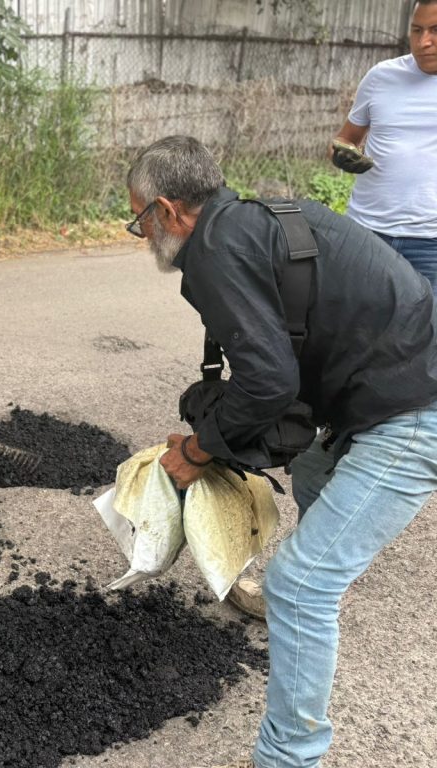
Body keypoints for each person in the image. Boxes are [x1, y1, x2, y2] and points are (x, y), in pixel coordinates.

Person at [124, 135, 437, 768]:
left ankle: (288, 756)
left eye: (140, 221)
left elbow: (268, 382)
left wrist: (199, 451)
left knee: (298, 585)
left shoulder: (216, 251)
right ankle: (318, 584)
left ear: (168, 210)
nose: (142, 235)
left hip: (415, 407)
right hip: (393, 380)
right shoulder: (251, 220)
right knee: (316, 468)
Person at [330, 0, 437, 291]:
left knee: (428, 320)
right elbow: (345, 138)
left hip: (431, 245)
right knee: (354, 316)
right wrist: (342, 154)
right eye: (417, 30)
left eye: (435, 30)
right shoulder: (381, 76)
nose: (423, 42)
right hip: (366, 232)